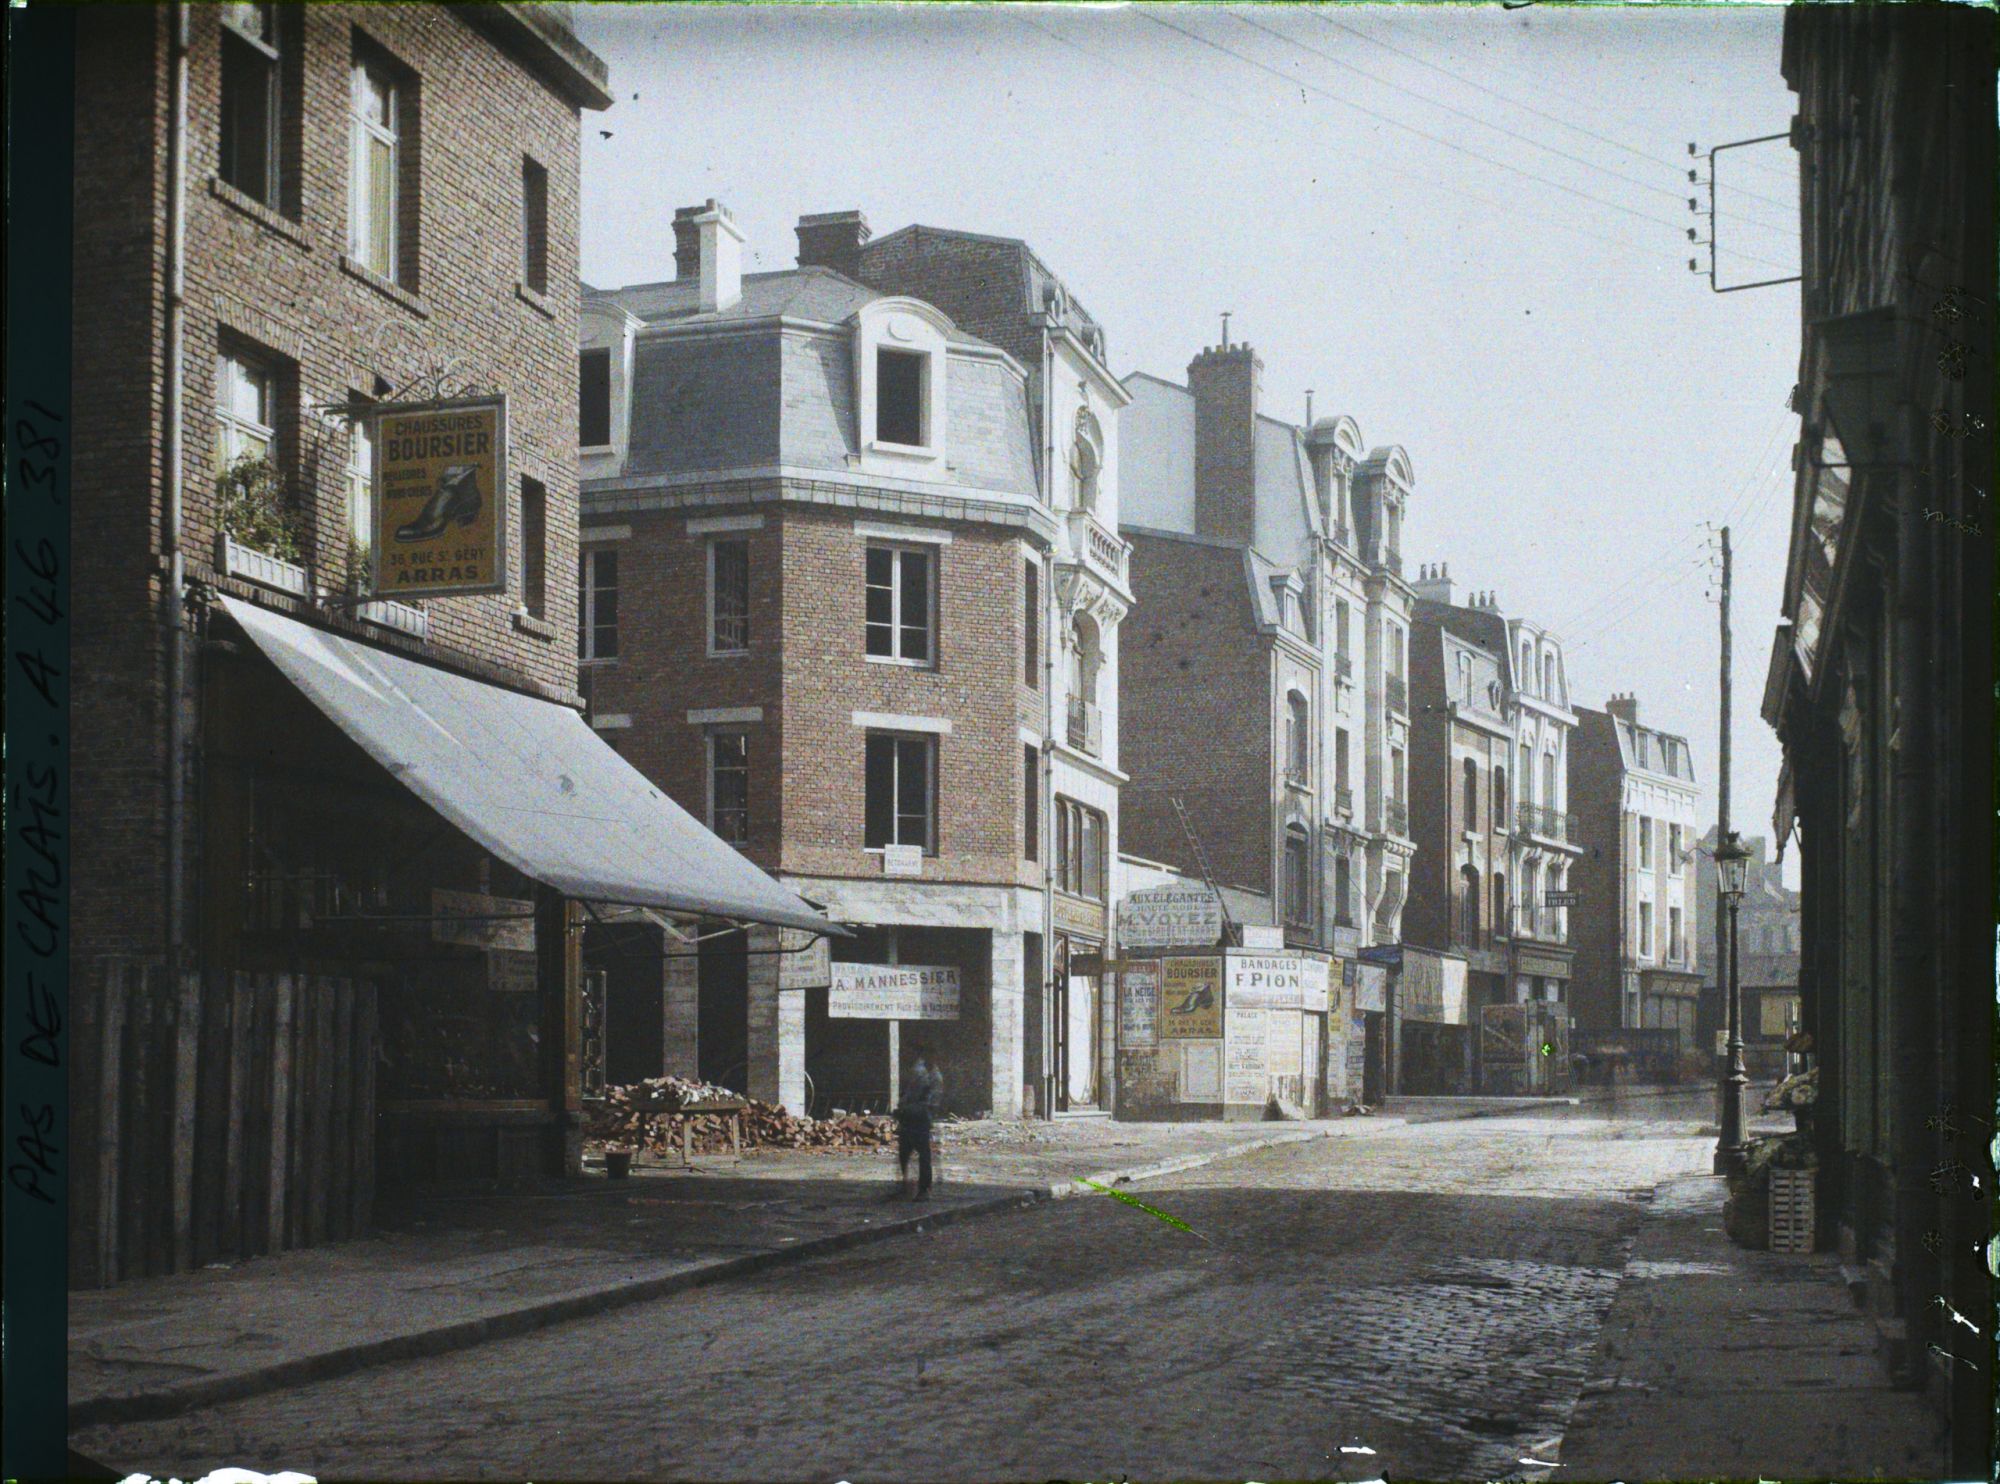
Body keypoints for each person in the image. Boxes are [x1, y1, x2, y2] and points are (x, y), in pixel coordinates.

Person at [895, 1050, 945, 1200]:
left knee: (923, 1154)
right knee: (904, 1152)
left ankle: (924, 1190)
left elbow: (932, 1102)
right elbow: (908, 1094)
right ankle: (905, 1186)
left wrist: (908, 1108)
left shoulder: (934, 1077)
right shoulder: (920, 1073)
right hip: (911, 1117)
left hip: (921, 1118)